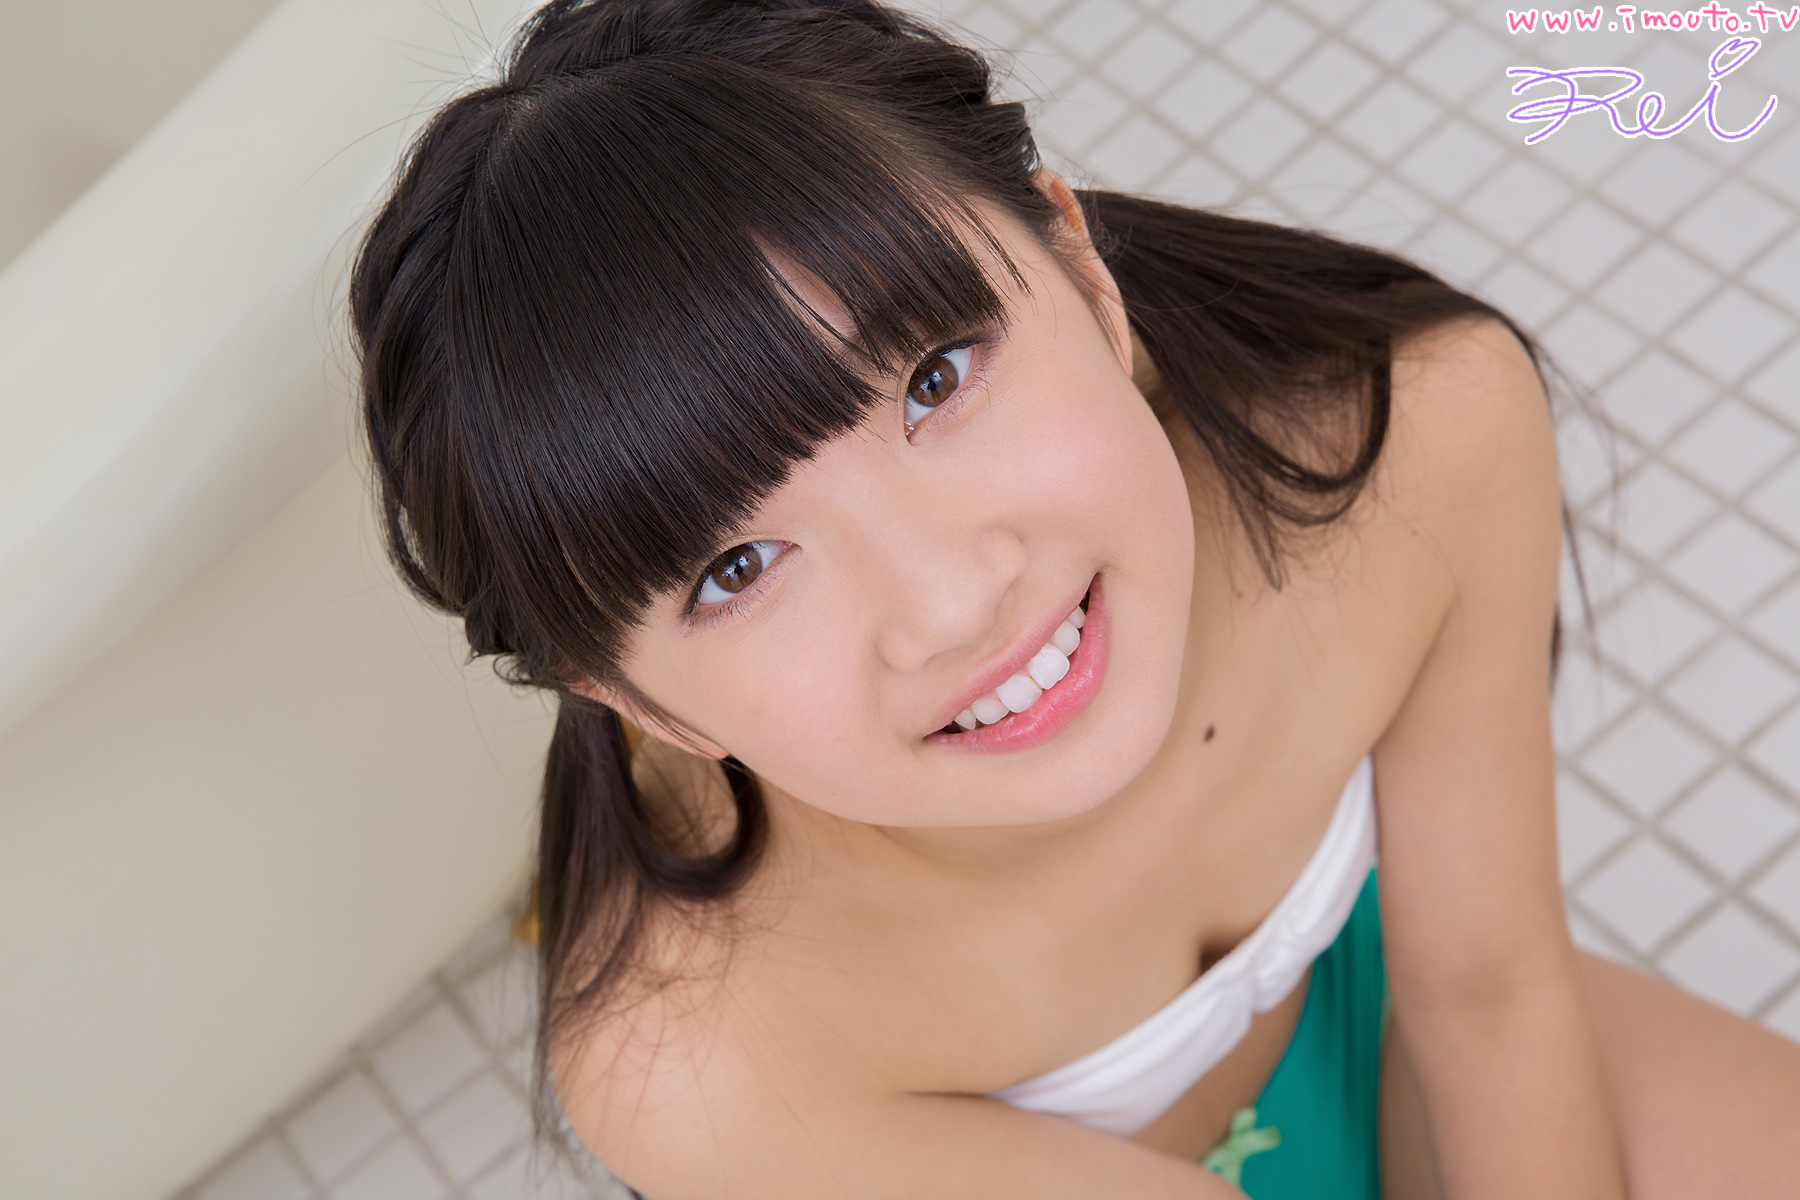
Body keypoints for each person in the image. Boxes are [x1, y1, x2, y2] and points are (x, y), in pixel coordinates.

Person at [347, 1, 1800, 1196]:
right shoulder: (697, 1052)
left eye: (935, 380)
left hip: (1403, 1023)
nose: (952, 603)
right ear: (635, 701)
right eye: (737, 570)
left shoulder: (1415, 435)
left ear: (1079, 265)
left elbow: (1487, 990)